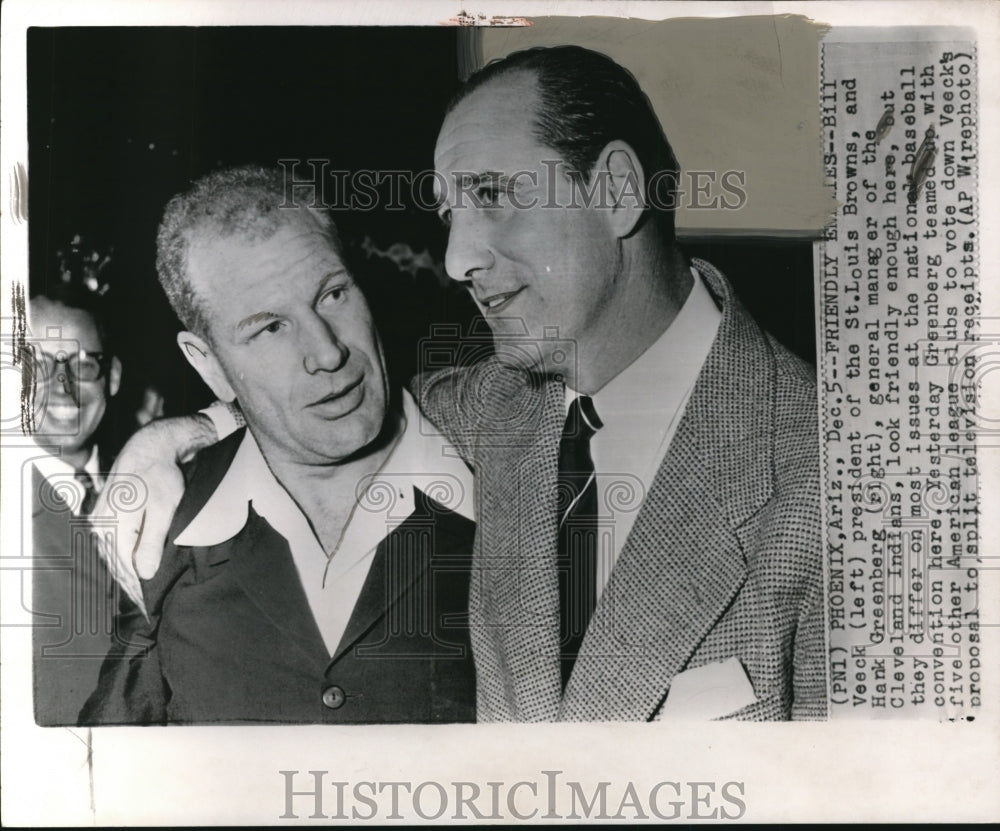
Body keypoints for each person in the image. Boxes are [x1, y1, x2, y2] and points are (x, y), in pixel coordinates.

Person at [99, 46, 826, 721]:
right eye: (450, 214)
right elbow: (340, 405)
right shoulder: (498, 408)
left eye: (491, 195)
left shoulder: (838, 484)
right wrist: (182, 434)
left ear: (616, 189)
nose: (455, 258)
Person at [79, 166, 476, 725]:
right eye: (270, 328)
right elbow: (99, 790)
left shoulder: (502, 483)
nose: (327, 352)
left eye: (334, 294)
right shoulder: (165, 535)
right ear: (209, 365)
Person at [26, 270, 128, 725]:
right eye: (39, 364)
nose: (63, 386)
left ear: (113, 377)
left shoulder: (157, 489)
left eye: (83, 364)